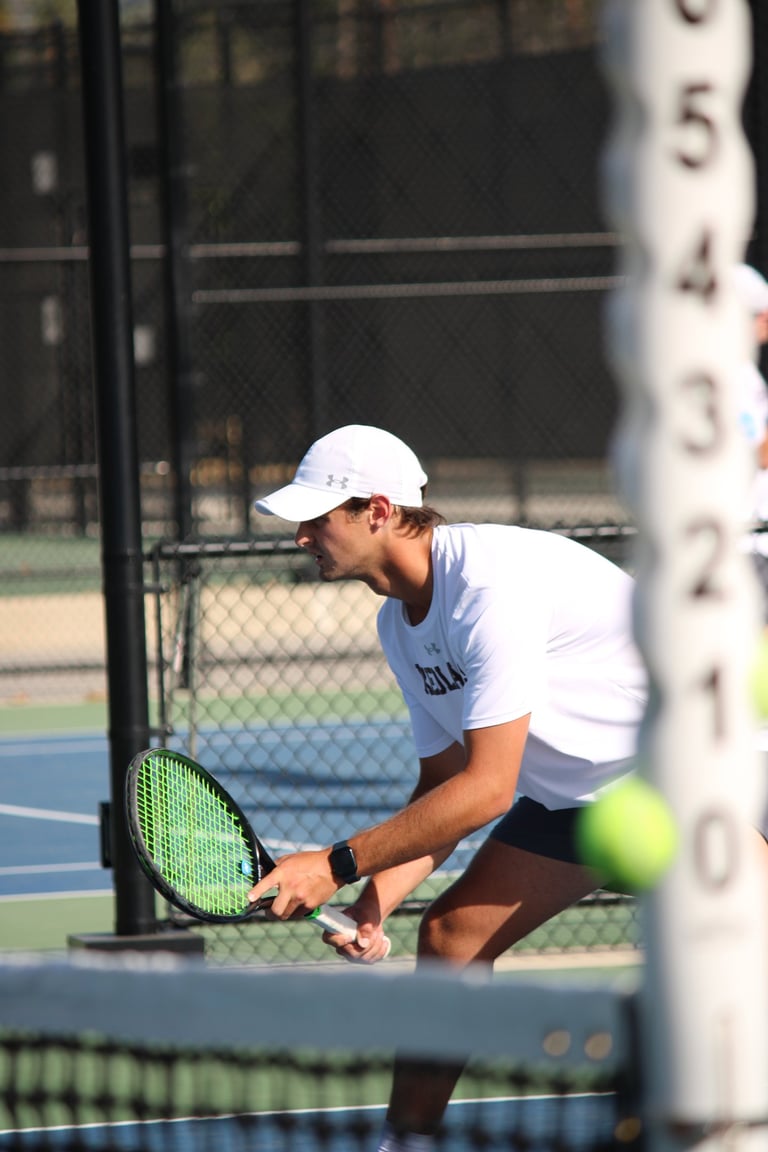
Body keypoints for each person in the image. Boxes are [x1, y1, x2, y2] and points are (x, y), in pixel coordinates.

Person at [248, 423, 651, 1150]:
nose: (302, 536)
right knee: (451, 936)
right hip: (585, 801)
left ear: (377, 510)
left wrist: (336, 865)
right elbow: (443, 783)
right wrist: (374, 901)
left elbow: (489, 789)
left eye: (317, 518)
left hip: (696, 770)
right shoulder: (397, 624)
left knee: (731, 964)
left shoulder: (489, 586)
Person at [733, 263, 768, 622]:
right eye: (757, 313)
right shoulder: (725, 375)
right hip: (742, 540)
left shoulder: (746, 374)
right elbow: (756, 454)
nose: (766, 320)